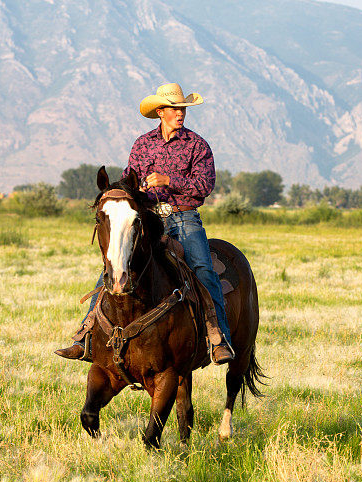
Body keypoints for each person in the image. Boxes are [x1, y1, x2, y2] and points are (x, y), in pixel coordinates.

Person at [55, 82, 235, 365]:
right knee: (115, 265)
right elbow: (130, 180)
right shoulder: (143, 144)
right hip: (148, 220)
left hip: (184, 216)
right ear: (161, 111)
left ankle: (217, 337)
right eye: (175, 109)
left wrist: (168, 181)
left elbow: (205, 186)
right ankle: (85, 336)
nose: (181, 113)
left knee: (202, 268)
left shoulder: (197, 145)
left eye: (183, 109)